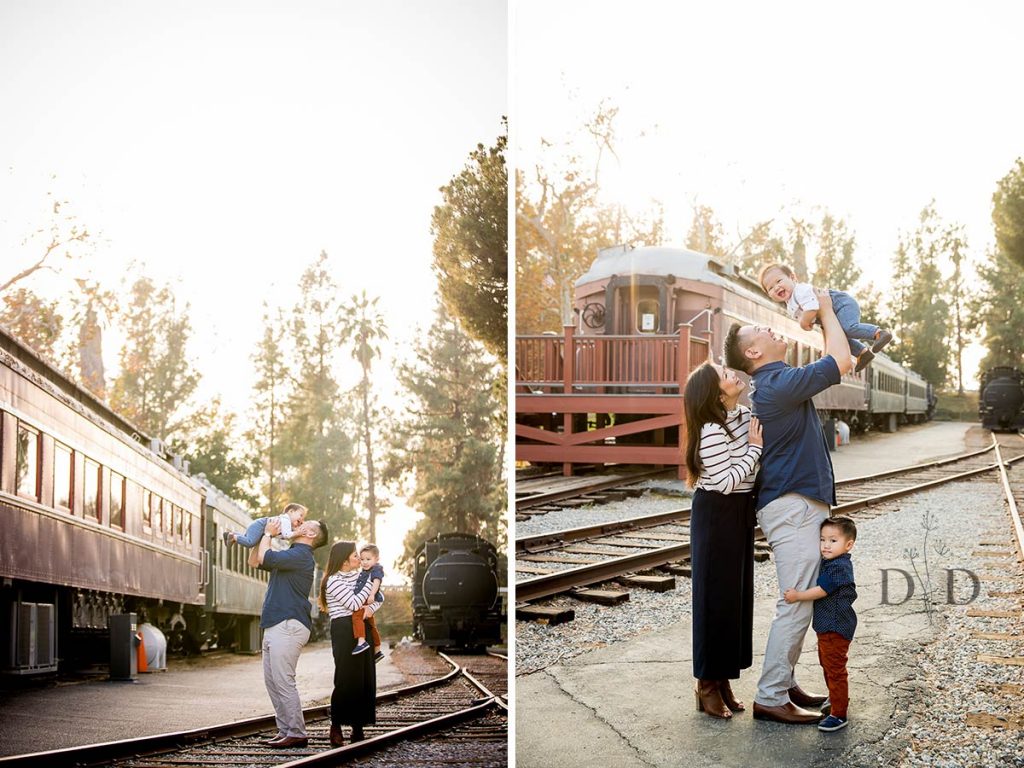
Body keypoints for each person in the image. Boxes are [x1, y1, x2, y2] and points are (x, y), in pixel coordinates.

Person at [723, 287, 852, 725]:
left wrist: (822, 321)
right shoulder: (777, 383)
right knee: (795, 602)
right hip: (793, 506)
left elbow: (841, 359)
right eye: (758, 329)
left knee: (799, 600)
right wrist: (828, 311)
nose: (769, 324)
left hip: (795, 503)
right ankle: (771, 696)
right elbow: (842, 362)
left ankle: (785, 681)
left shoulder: (780, 382)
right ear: (754, 351)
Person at [684, 362, 763, 720]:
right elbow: (726, 481)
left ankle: (725, 678)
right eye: (726, 376)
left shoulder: (742, 416)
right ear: (717, 393)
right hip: (716, 514)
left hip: (737, 514)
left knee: (734, 601)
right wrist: (755, 450)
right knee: (713, 601)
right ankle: (707, 685)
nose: (734, 375)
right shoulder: (711, 430)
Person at [249, 514, 329, 748]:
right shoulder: (291, 554)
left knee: (283, 680)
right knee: (272, 682)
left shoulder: (301, 555)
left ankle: (297, 732)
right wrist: (257, 537)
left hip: (288, 624)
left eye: (305, 524)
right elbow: (255, 561)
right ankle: (285, 729)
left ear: (311, 534)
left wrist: (267, 535)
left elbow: (266, 555)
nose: (298, 524)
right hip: (276, 623)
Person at [784, 516, 858, 733]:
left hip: (836, 627)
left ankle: (839, 714)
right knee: (828, 666)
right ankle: (836, 700)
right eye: (822, 539)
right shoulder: (831, 562)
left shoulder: (839, 567)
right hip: (828, 626)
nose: (826, 545)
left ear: (848, 545)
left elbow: (822, 590)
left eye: (833, 541)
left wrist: (798, 596)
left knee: (835, 669)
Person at [758, 263, 892, 373]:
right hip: (831, 314)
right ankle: (863, 353)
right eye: (770, 288)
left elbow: (812, 308)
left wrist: (804, 323)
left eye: (779, 281)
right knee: (838, 336)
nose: (776, 287)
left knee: (848, 328)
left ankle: (879, 333)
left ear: (793, 278)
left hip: (840, 304)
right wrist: (807, 322)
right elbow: (805, 318)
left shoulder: (800, 291)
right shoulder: (790, 306)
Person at [320, 541, 377, 747]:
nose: (358, 559)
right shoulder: (333, 581)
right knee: (345, 677)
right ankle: (336, 725)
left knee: (363, 677)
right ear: (344, 560)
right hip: (344, 629)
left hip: (363, 626)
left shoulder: (359, 576)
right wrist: (369, 588)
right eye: (355, 555)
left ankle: (358, 726)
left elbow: (378, 597)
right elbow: (353, 603)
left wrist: (371, 604)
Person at [224, 502, 308, 551]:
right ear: (291, 511)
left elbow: (285, 535)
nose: (301, 519)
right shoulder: (286, 520)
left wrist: (296, 529)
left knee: (247, 539)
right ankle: (232, 536)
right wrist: (297, 533)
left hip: (259, 525)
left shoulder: (286, 523)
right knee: (250, 543)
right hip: (260, 526)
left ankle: (231, 534)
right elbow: (286, 535)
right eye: (300, 515)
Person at [351, 544, 385, 661]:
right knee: (371, 625)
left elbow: (376, 581)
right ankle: (378, 650)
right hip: (367, 601)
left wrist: (371, 595)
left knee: (356, 616)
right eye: (362, 559)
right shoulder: (364, 571)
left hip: (373, 599)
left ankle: (361, 641)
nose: (365, 562)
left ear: (376, 559)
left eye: (368, 559)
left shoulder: (376, 569)